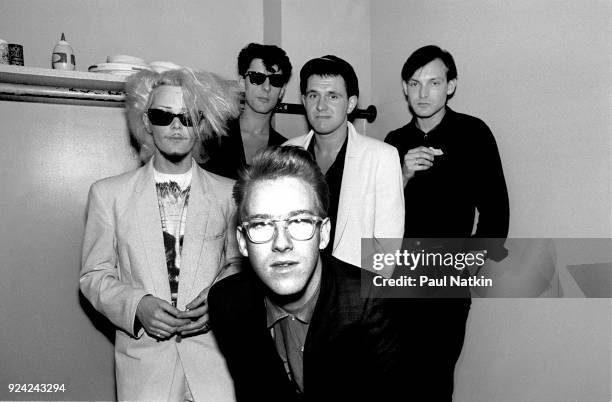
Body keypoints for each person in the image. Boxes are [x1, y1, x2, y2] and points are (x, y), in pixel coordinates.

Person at [80, 66, 241, 401]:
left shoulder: (231, 194)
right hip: (144, 371)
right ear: (146, 123)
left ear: (202, 124)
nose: (177, 126)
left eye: (188, 116)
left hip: (216, 367)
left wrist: (220, 303)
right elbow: (94, 276)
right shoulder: (109, 194)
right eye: (163, 115)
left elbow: (239, 267)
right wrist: (137, 306)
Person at [208, 146, 401, 401]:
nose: (281, 243)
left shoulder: (373, 303)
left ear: (323, 234)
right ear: (242, 241)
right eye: (262, 225)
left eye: (299, 222)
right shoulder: (227, 303)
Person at [384, 45, 510, 400]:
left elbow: (496, 211)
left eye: (434, 82)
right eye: (414, 83)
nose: (423, 93)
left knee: (435, 380)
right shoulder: (393, 142)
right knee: (393, 379)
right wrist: (403, 175)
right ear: (405, 88)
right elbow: (376, 215)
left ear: (450, 86)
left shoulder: (474, 133)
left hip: (446, 281)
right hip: (396, 278)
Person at [284, 55, 404, 270]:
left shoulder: (381, 157)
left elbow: (387, 248)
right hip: (295, 283)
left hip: (354, 292)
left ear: (350, 104)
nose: (321, 106)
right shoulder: (285, 154)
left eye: (332, 96)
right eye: (313, 95)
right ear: (304, 101)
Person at [202, 43, 292, 179]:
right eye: (257, 78)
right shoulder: (213, 137)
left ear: (282, 91)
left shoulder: (286, 150)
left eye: (275, 80)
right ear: (242, 83)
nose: (266, 87)